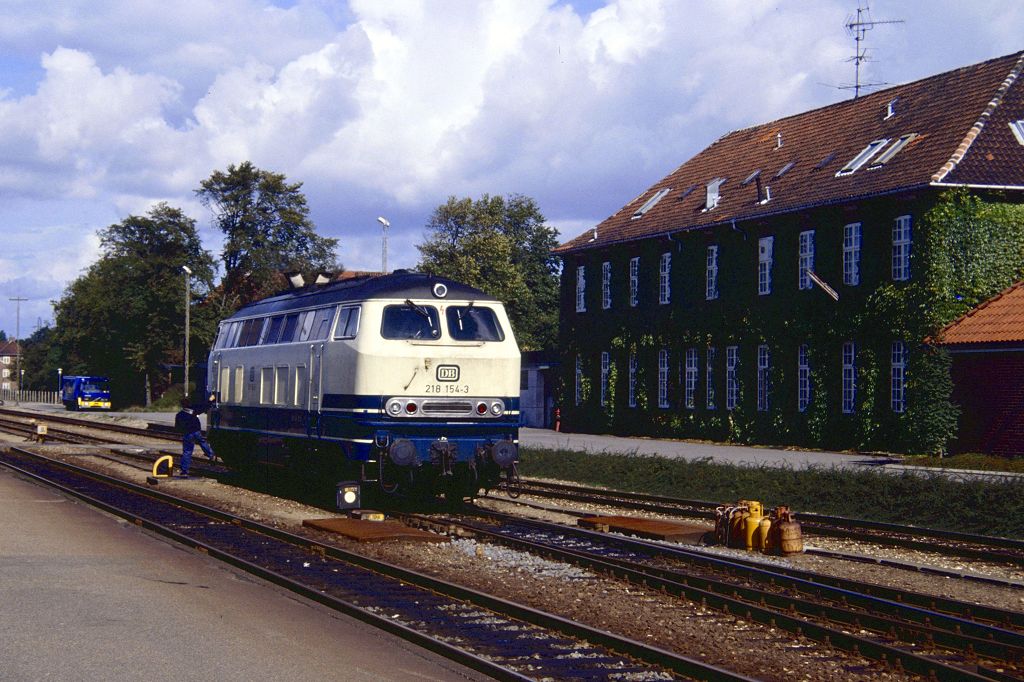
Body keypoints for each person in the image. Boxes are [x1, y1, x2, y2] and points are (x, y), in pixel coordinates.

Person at [174, 397, 215, 477]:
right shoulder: (194, 410)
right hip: (196, 432)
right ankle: (210, 454)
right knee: (202, 442)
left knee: (187, 452)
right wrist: (210, 400)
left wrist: (182, 432)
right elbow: (204, 407)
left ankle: (184, 471)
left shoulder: (179, 415)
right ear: (189, 403)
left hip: (187, 434)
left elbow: (177, 428)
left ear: (182, 405)